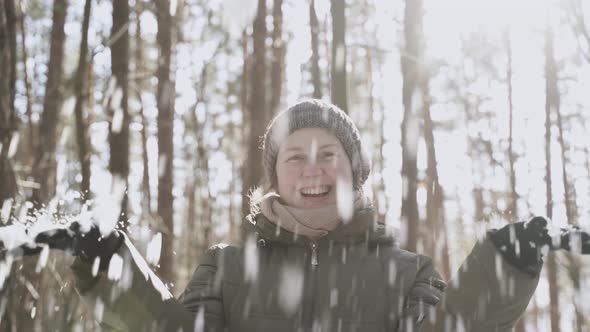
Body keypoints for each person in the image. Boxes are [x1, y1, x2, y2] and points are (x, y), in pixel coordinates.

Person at [5, 99, 575, 331]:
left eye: (330, 155)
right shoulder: (226, 268)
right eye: (294, 157)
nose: (313, 169)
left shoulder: (408, 271)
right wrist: (112, 268)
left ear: (354, 173)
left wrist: (502, 265)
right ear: (274, 176)